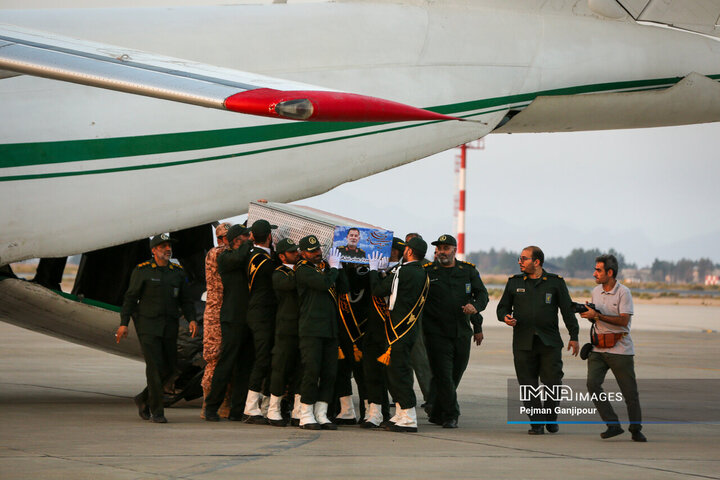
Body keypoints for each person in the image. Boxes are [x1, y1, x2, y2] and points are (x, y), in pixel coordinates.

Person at [497, 245, 579, 435]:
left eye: (524, 259)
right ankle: (536, 422)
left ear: (537, 262)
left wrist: (573, 336)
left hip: (549, 342)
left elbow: (568, 311)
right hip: (523, 342)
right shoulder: (513, 282)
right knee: (527, 384)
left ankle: (550, 418)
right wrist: (505, 317)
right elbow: (502, 308)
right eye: (520, 258)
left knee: (553, 382)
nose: (520, 261)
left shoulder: (555, 283)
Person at [116, 233, 198, 423]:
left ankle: (143, 399)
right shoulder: (142, 271)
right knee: (154, 368)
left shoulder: (177, 272)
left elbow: (185, 300)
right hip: (148, 327)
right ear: (154, 250)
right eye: (163, 247)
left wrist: (192, 319)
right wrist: (123, 323)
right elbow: (129, 298)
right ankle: (157, 410)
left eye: (169, 246)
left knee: (169, 369)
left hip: (169, 327)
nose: (168, 249)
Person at [422, 234, 488, 429]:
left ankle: (436, 411)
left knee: (455, 374)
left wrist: (475, 311)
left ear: (454, 249)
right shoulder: (427, 271)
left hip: (461, 332)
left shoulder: (467, 271)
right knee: (443, 373)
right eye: (439, 248)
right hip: (436, 332)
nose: (442, 251)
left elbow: (481, 294)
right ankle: (452, 414)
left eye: (446, 248)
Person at [581, 254, 646, 442]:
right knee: (592, 384)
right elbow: (596, 317)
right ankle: (613, 425)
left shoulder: (623, 292)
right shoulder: (595, 291)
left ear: (610, 272)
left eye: (598, 270)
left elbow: (624, 320)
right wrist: (589, 315)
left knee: (629, 393)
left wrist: (598, 316)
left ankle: (636, 429)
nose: (594, 273)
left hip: (620, 349)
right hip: (598, 348)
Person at [367, 236, 430, 432]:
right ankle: (401, 413)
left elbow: (378, 290)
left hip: (398, 331)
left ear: (409, 252)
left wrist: (372, 271)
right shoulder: (422, 273)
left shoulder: (404, 272)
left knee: (398, 373)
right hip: (408, 330)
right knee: (397, 371)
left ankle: (409, 417)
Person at [203, 224, 254, 422]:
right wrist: (247, 243)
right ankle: (211, 407)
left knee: (245, 365)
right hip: (232, 318)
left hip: (247, 318)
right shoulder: (223, 257)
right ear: (234, 241)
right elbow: (239, 257)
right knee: (226, 362)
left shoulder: (244, 253)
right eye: (244, 237)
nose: (248, 239)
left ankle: (237, 409)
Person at [295, 235, 345, 430]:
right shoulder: (303, 270)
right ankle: (305, 413)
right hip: (311, 329)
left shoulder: (324, 269)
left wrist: (339, 268)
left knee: (329, 372)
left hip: (330, 329)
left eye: (318, 250)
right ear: (303, 253)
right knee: (311, 371)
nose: (317, 254)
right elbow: (324, 284)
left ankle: (321, 413)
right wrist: (333, 268)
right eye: (312, 251)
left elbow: (343, 287)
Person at [243, 219, 279, 424]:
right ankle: (250, 407)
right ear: (269, 237)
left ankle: (260, 404)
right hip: (263, 315)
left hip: (254, 311)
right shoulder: (266, 262)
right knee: (263, 359)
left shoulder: (251, 256)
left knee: (263, 358)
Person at [268, 238, 303, 427]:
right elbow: (291, 284)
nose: (296, 254)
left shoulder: (302, 271)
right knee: (280, 368)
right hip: (285, 327)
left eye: (296, 251)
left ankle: (297, 410)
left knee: (300, 369)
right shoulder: (279, 274)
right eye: (292, 252)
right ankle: (273, 409)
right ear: (282, 256)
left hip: (301, 327)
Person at [200, 222, 232, 419]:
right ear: (220, 239)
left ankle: (224, 402)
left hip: (225, 311)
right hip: (215, 314)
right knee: (213, 359)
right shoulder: (216, 253)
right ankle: (208, 403)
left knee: (226, 359)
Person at [404, 233, 433, 410]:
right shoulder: (405, 265)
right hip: (407, 319)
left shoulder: (425, 268)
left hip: (418, 320)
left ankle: (431, 398)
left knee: (420, 361)